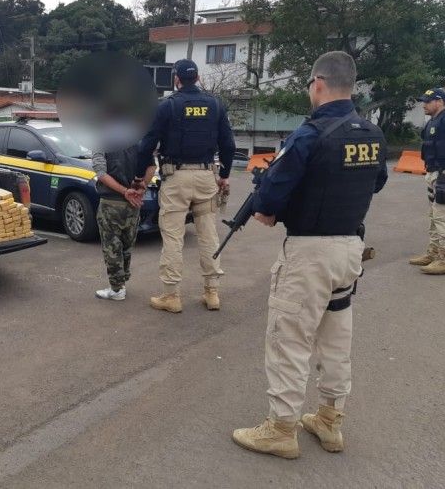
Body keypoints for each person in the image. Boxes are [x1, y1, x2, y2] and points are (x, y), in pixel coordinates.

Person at [232, 51, 387, 459]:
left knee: (289, 339)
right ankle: (330, 421)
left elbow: (269, 196)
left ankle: (282, 429)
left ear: (318, 82)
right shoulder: (372, 133)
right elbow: (377, 183)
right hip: (349, 252)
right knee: (336, 338)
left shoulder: (310, 133)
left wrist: (271, 208)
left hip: (309, 256)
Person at [133, 59, 236, 313]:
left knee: (172, 237)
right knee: (208, 235)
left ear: (176, 79)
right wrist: (224, 174)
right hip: (205, 176)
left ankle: (172, 296)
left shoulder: (166, 106)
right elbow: (229, 144)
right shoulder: (215, 105)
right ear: (198, 77)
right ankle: (212, 293)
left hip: (175, 177)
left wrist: (139, 177)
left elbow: (146, 145)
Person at [408, 88, 445, 275]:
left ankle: (444, 259)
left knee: (443, 215)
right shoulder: (433, 121)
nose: (424, 104)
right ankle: (433, 253)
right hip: (434, 173)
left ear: (439, 101)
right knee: (434, 214)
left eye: (428, 101)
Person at [93, 144, 143, 300]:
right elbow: (150, 165)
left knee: (112, 247)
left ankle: (116, 289)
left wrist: (124, 191)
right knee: (127, 245)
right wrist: (140, 188)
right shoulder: (137, 137)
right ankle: (122, 282)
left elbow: (101, 173)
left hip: (111, 202)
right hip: (133, 203)